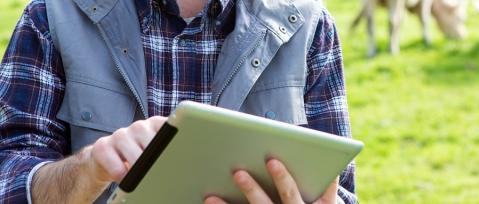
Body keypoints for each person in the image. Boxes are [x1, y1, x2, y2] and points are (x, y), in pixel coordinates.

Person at [0, 0, 357, 203]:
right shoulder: (52, 16)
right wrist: (87, 169)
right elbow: (8, 178)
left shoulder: (308, 26)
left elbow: (342, 193)